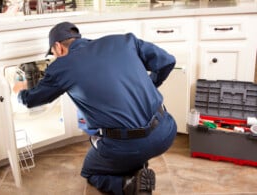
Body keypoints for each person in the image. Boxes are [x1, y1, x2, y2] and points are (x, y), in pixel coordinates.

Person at [15, 21, 177, 195]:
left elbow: (31, 100)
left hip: (130, 145)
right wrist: (150, 85)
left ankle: (131, 183)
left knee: (90, 171)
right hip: (166, 131)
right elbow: (167, 61)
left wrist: (20, 90)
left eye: (53, 53)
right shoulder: (124, 40)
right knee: (120, 141)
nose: (55, 57)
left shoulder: (62, 67)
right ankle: (136, 161)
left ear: (58, 47)